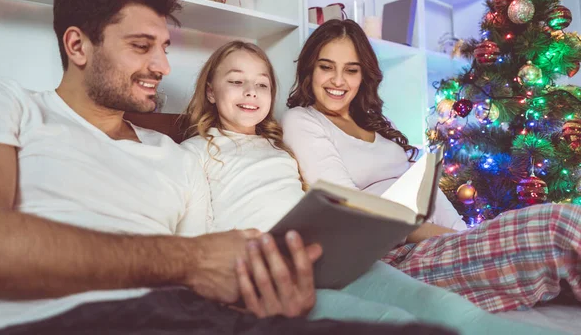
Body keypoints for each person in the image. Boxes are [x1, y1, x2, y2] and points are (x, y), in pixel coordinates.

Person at [0, 0, 456, 335]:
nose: (163, 65)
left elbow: (210, 271)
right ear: (78, 45)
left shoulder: (169, 152)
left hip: (189, 317)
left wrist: (264, 294)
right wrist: (188, 261)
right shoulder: (7, 104)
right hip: (58, 321)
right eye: (142, 46)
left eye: (165, 47)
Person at [176, 40, 558, 335]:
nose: (250, 92)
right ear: (211, 91)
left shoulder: (279, 148)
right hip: (270, 272)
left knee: (443, 307)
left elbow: (316, 199)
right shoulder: (193, 153)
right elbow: (194, 241)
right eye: (236, 82)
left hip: (329, 257)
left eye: (261, 84)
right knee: (385, 321)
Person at [281, 18, 581, 314]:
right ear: (310, 68)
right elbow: (350, 210)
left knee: (559, 234)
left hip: (435, 240)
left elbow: (428, 189)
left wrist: (464, 236)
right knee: (555, 226)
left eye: (351, 70)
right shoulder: (303, 120)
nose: (337, 80)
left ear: (363, 76)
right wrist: (446, 237)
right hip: (393, 257)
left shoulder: (379, 124)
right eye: (326, 67)